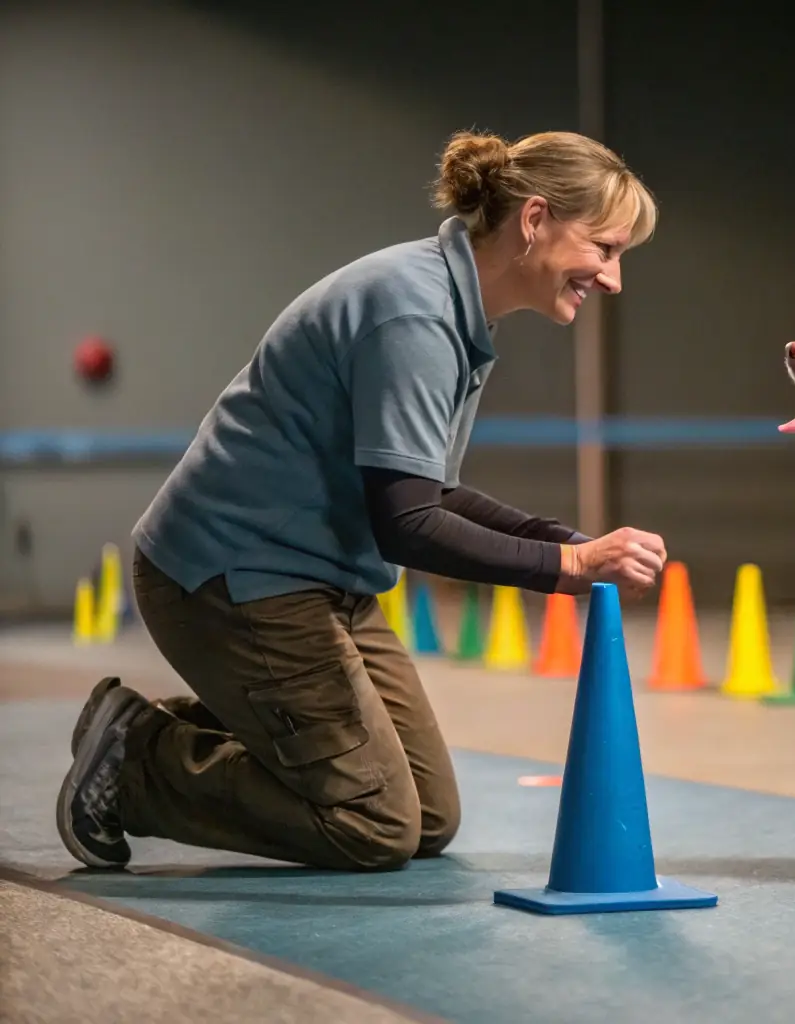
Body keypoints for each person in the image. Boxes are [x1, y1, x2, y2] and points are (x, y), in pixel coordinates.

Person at [57, 130, 667, 872]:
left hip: (322, 583)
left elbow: (426, 489)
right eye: (604, 249)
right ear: (534, 219)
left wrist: (566, 539)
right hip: (235, 581)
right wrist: (567, 564)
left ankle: (194, 728)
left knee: (428, 816)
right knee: (372, 824)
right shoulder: (413, 315)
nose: (611, 278)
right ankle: (137, 765)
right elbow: (409, 526)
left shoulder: (454, 308)